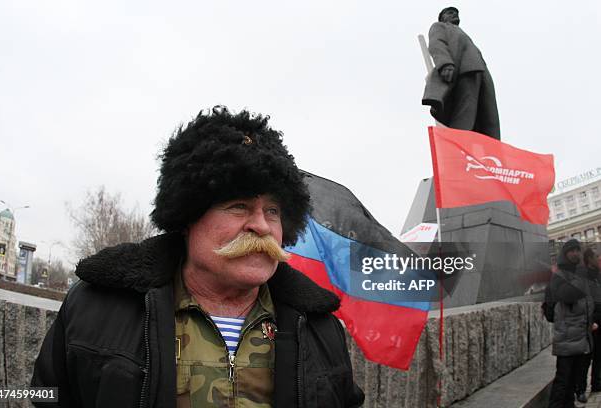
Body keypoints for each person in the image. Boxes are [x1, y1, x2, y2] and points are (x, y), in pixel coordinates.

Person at [31, 106, 365, 408]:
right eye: (239, 206)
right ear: (189, 217)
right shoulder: (97, 307)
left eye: (273, 211)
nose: (261, 225)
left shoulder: (320, 327)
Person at [422, 6, 501, 140]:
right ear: (442, 17)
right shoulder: (440, 27)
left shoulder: (462, 33)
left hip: (482, 72)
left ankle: (492, 146)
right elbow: (436, 44)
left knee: (489, 115)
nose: (454, 15)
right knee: (466, 110)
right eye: (450, 13)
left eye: (456, 13)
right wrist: (445, 63)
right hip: (465, 70)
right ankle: (459, 140)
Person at [548, 239, 594, 408]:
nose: (576, 253)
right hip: (567, 337)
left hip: (582, 336)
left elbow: (588, 301)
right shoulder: (560, 275)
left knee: (573, 380)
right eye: (571, 250)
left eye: (577, 250)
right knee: (563, 381)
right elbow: (568, 295)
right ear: (565, 254)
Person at [575, 248, 601, 399]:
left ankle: (597, 383)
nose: (599, 259)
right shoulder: (582, 277)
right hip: (590, 323)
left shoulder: (599, 275)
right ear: (589, 259)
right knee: (586, 358)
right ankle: (580, 389)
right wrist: (589, 321)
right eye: (597, 256)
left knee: (599, 356)